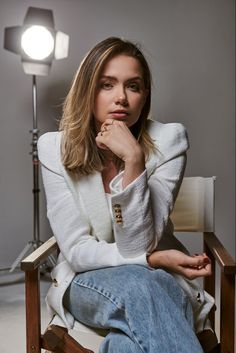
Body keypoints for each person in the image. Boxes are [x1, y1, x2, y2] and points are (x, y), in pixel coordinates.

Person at [38, 37, 214, 353]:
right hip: (88, 282)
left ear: (144, 95)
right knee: (143, 285)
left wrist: (134, 159)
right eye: (107, 85)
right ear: (88, 91)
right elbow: (77, 250)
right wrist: (150, 260)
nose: (121, 97)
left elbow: (137, 241)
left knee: (126, 345)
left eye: (133, 86)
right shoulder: (54, 148)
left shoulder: (170, 140)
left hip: (159, 281)